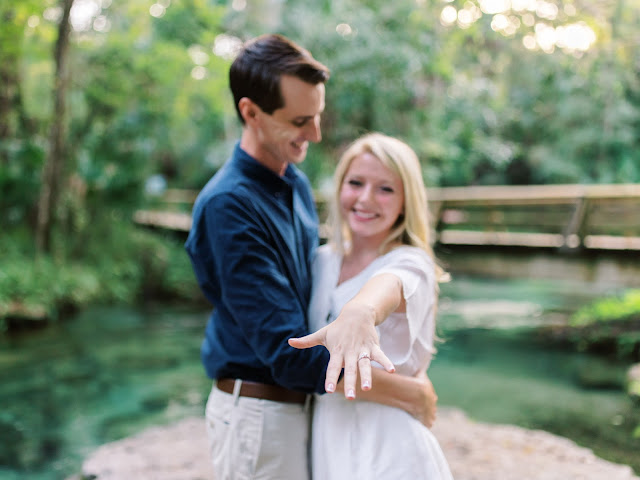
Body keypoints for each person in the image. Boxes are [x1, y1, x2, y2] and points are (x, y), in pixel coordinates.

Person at [185, 35, 438, 480]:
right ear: (251, 113)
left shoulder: (296, 185)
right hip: (260, 409)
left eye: (318, 116)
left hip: (311, 411)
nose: (316, 135)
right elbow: (289, 352)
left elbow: (357, 289)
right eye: (301, 120)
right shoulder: (229, 205)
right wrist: (405, 392)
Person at [290, 132, 453, 479]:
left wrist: (360, 312)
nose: (366, 198)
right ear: (340, 188)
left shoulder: (411, 263)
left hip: (389, 446)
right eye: (356, 183)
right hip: (329, 438)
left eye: (386, 189)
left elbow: (388, 287)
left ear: (407, 201)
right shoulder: (320, 262)